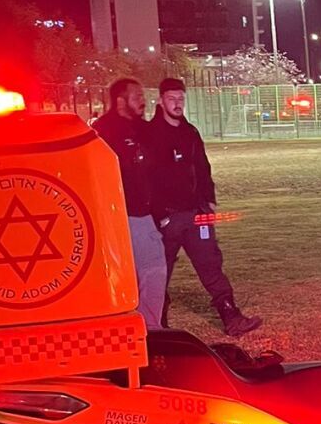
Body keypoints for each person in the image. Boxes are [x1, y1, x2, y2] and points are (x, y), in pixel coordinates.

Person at [148, 77, 262, 338]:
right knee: (159, 273)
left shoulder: (190, 132)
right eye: (172, 99)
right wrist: (160, 215)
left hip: (196, 215)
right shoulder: (151, 134)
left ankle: (232, 318)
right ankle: (156, 327)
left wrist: (208, 202)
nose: (177, 104)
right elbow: (147, 178)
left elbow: (203, 167)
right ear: (161, 101)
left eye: (180, 99)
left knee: (211, 265)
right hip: (167, 220)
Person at [92, 77, 166, 331]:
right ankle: (149, 329)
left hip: (138, 215)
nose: (143, 101)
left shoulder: (140, 129)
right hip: (128, 216)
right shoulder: (103, 133)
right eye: (137, 97)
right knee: (153, 270)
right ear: (120, 101)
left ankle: (140, 326)